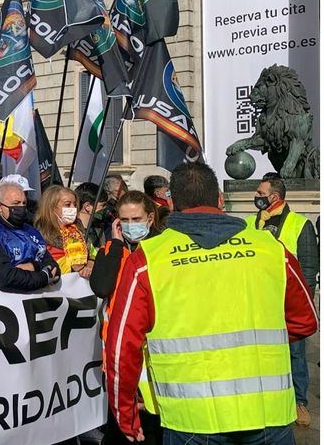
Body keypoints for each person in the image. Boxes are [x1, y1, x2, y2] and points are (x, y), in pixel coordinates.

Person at [106, 162, 317, 443]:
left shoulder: (148, 260)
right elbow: (306, 320)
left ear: (171, 201)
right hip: (268, 414)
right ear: (220, 198)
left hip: (192, 418)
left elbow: (121, 345)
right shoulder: (271, 249)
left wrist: (125, 414)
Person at [89, 190, 162, 445]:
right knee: (118, 426)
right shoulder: (110, 249)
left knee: (154, 423)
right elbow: (101, 286)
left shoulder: (161, 249)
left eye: (136, 218)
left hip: (154, 348)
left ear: (150, 218)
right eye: (125, 220)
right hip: (120, 348)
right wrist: (117, 243)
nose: (131, 225)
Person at [248, 174, 319, 427]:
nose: (255, 196)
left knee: (296, 354)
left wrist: (303, 305)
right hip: (258, 302)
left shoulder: (300, 224)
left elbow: (309, 269)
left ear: (274, 197)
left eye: (259, 193)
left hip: (288, 302)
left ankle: (299, 401)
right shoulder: (249, 223)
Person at [0, 180, 60, 292]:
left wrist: (34, 266)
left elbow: (54, 268)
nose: (21, 208)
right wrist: (43, 277)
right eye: (16, 203)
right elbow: (5, 277)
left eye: (24, 203)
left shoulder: (31, 230)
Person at [34, 185, 94, 278]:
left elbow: (93, 253)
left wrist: (90, 264)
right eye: (67, 204)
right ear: (52, 207)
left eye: (74, 204)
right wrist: (73, 266)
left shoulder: (78, 229)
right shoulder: (38, 235)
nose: (73, 208)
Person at [75, 182, 110, 256]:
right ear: (87, 206)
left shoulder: (98, 229)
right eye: (102, 205)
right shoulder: (73, 232)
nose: (105, 209)